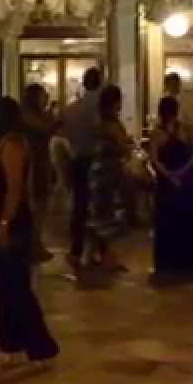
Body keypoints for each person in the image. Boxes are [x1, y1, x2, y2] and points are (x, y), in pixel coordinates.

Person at [0, 97, 59, 368]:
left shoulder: (13, 146)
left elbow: (14, 189)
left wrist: (4, 223)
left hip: (10, 219)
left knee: (17, 286)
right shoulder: (1, 145)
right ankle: (11, 344)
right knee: (3, 286)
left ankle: (40, 347)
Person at [150, 96, 193, 278]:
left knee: (177, 218)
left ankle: (175, 260)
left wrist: (174, 174)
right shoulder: (169, 132)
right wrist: (176, 174)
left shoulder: (182, 130)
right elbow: (155, 158)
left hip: (176, 179)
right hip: (176, 180)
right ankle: (183, 260)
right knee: (177, 218)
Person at [84, 85, 132, 271]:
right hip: (109, 172)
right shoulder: (112, 125)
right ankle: (108, 257)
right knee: (109, 214)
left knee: (98, 214)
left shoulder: (98, 122)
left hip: (97, 171)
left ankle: (91, 254)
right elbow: (123, 147)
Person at [63, 67, 104, 270]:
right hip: (98, 160)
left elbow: (65, 134)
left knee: (80, 206)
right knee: (100, 207)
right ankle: (100, 250)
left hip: (78, 160)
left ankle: (76, 249)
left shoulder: (71, 109)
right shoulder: (101, 107)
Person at [21, 83, 57, 262]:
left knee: (41, 206)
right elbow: (45, 128)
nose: (46, 99)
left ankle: (36, 243)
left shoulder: (37, 116)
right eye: (43, 96)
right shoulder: (29, 117)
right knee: (37, 207)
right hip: (35, 165)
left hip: (41, 163)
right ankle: (33, 245)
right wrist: (52, 116)